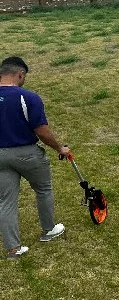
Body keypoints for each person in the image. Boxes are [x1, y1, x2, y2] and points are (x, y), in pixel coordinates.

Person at [0, 56, 70, 260]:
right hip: (26, 153)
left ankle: (13, 249)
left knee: (5, 201)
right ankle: (49, 230)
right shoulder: (28, 97)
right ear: (20, 74)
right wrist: (59, 148)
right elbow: (42, 131)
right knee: (43, 188)